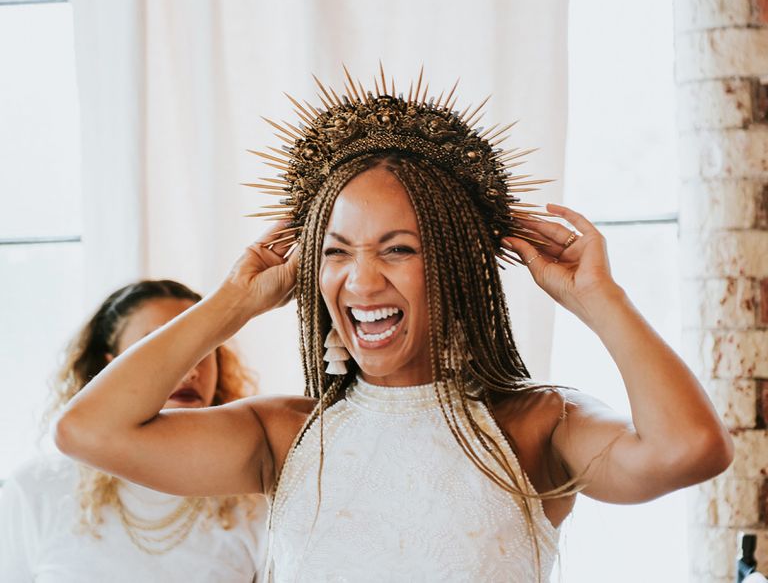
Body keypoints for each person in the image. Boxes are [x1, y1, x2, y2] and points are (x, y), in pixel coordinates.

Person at [54, 69, 733, 582]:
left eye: (399, 248)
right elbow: (88, 431)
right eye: (336, 251)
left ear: (459, 269)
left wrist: (599, 299)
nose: (362, 280)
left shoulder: (535, 425)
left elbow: (688, 451)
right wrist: (236, 299)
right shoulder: (287, 437)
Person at [0, 279, 268, 582]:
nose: (191, 370)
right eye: (159, 348)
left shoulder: (253, 499)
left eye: (204, 350)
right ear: (111, 370)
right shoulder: (35, 490)